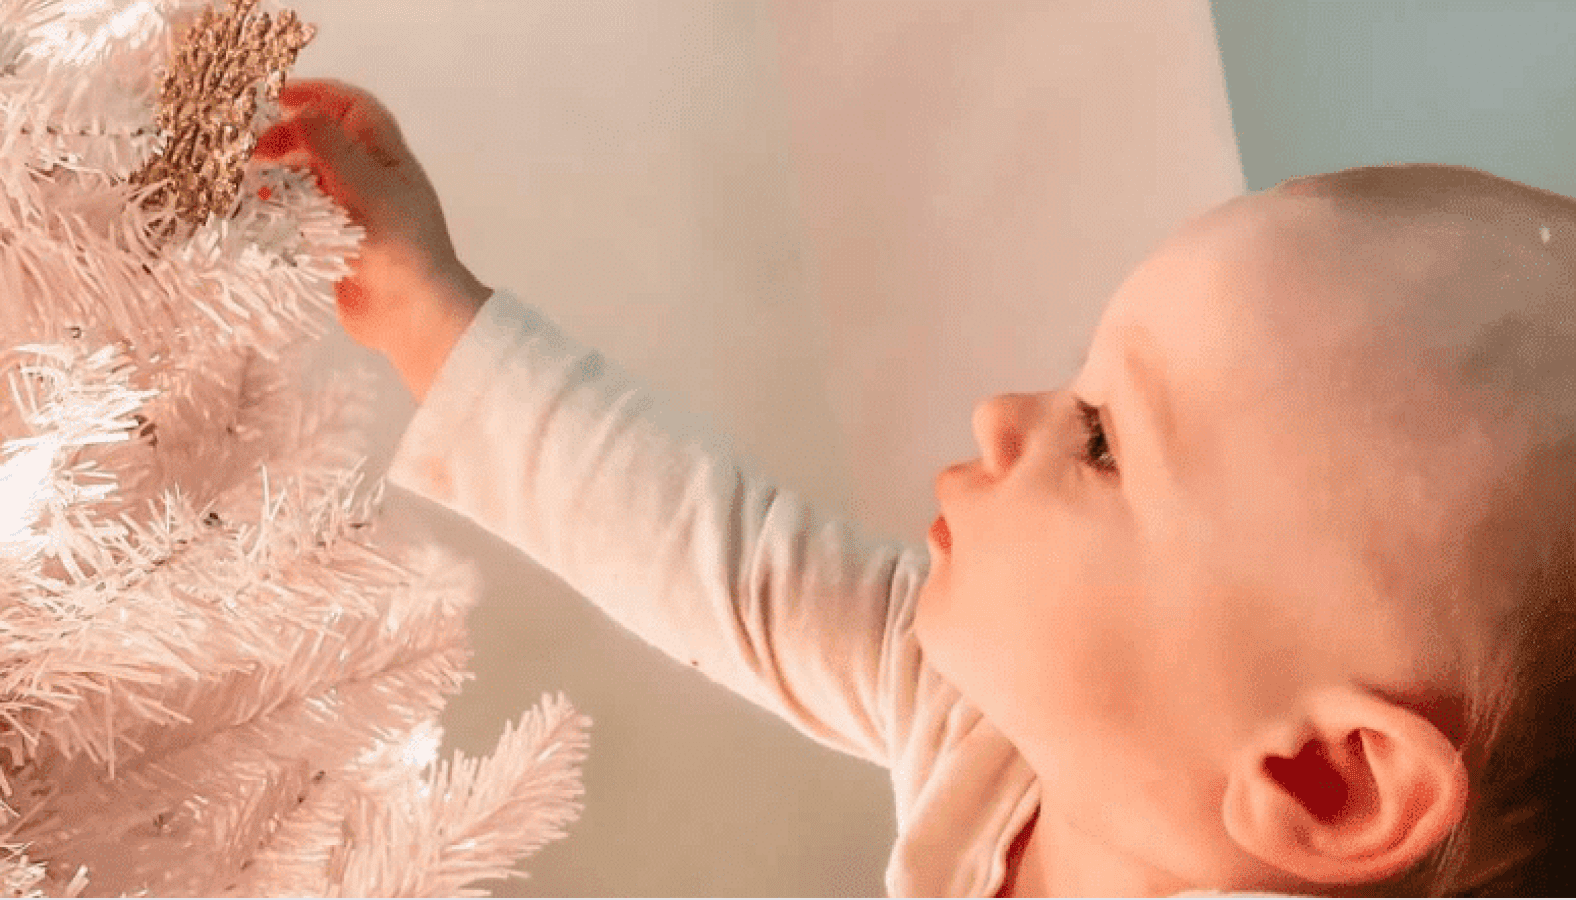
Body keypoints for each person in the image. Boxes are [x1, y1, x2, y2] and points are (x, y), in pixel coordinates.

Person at [249, 78, 1576, 897]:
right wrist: (429, 310)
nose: (1009, 417)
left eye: (1106, 440)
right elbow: (726, 563)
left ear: (1321, 780)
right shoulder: (992, 738)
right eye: (1079, 380)